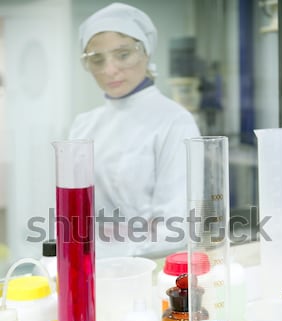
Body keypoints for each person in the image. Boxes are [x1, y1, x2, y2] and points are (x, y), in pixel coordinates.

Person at [69, 2, 201, 258]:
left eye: (123, 54)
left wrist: (108, 247)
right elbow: (74, 218)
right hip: (92, 267)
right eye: (97, 59)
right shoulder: (83, 126)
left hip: (152, 269)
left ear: (146, 52)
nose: (110, 70)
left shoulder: (175, 122)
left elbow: (176, 227)